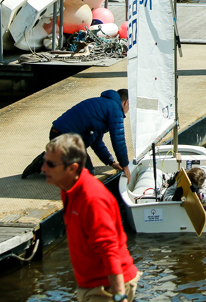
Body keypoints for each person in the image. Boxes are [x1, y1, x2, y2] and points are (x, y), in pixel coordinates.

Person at [42, 133, 140, 302]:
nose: (43, 168)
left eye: (51, 164)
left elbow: (109, 249)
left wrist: (119, 296)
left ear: (72, 168)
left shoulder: (92, 199)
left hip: (107, 288)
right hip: (90, 284)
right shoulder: (67, 187)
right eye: (45, 161)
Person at [22, 89, 131, 182]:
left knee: (83, 172)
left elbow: (96, 141)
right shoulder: (115, 110)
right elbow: (118, 140)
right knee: (87, 175)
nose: (127, 111)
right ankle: (46, 161)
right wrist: (125, 166)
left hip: (58, 134)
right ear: (126, 102)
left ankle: (55, 159)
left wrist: (111, 162)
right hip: (64, 137)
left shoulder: (105, 105)